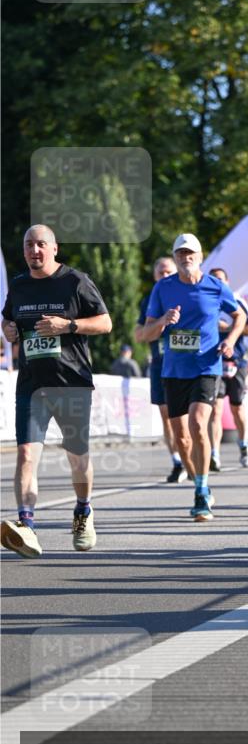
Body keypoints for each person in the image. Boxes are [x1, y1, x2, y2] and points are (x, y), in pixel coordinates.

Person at [0, 224, 112, 557]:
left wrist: (69, 325)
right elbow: (9, 324)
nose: (34, 250)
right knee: (25, 456)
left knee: (77, 456)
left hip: (71, 384)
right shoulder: (18, 287)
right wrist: (8, 329)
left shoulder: (75, 281)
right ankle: (27, 526)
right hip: (32, 386)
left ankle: (83, 510)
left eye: (40, 244)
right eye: (28, 245)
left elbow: (105, 323)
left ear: (54, 249)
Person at [142, 234, 245, 521]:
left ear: (200, 257)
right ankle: (196, 478)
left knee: (199, 425)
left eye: (190, 253)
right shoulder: (163, 289)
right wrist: (163, 321)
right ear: (174, 258)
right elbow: (145, 333)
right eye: (180, 253)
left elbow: (239, 317)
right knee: (182, 439)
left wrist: (231, 340)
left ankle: (202, 490)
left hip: (206, 367)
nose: (185, 258)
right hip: (174, 370)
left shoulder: (215, 286)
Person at [135, 256, 187, 483]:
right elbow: (139, 335)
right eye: (160, 273)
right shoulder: (149, 300)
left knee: (187, 416)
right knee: (166, 415)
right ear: (155, 277)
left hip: (187, 362)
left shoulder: (187, 292)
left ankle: (193, 455)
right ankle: (177, 460)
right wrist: (161, 322)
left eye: (168, 272)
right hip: (160, 363)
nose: (164, 276)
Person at [207, 268, 248, 470]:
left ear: (227, 281)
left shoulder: (236, 301)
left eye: (220, 279)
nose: (217, 283)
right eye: (213, 280)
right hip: (214, 362)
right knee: (215, 410)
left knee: (237, 408)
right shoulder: (206, 301)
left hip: (236, 362)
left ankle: (244, 444)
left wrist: (226, 328)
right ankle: (214, 454)